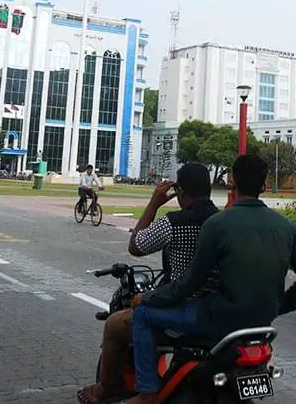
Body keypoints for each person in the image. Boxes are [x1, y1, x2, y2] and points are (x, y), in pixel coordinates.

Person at [125, 154, 296, 404]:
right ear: (263, 186)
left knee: (142, 315)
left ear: (232, 182)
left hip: (218, 321)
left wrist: (149, 297)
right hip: (262, 324)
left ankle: (146, 394)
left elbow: (189, 283)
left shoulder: (219, 224)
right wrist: (280, 304)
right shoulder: (285, 226)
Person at [77, 163, 220, 404]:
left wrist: (154, 202)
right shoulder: (222, 221)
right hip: (216, 309)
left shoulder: (174, 222)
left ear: (180, 192)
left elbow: (137, 246)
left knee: (116, 324)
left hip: (181, 307)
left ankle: (116, 388)